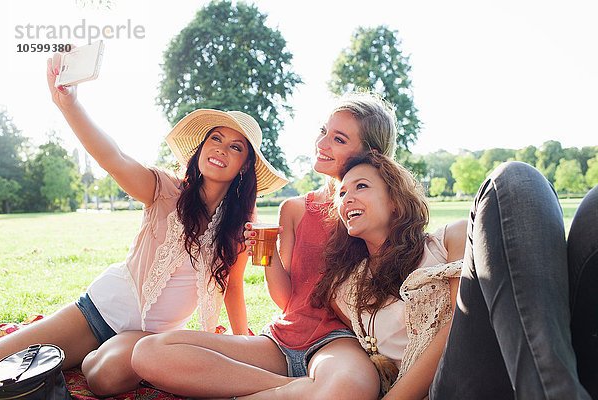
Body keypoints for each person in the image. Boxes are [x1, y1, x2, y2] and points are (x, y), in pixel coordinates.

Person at [0, 53, 288, 396]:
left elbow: (233, 286)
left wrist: (243, 342)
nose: (221, 150)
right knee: (3, 360)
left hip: (150, 340)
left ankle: (94, 359)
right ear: (200, 149)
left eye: (235, 147)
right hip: (98, 313)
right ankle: (85, 353)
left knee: (105, 380)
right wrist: (69, 104)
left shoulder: (239, 227)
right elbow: (114, 159)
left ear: (243, 166)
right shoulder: (164, 189)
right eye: (215, 139)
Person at [131, 92, 399, 399]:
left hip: (337, 342)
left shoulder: (381, 212)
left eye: (338, 139)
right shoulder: (295, 209)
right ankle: (292, 390)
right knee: (149, 352)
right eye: (323, 132)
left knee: (348, 388)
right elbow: (288, 300)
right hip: (280, 340)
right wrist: (268, 257)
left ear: (371, 153)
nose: (322, 144)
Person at [429, 161, 597, 400]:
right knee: (514, 179)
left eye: (361, 186)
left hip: (529, 339)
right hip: (459, 381)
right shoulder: (356, 280)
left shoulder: (443, 240)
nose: (352, 196)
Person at [311, 151, 465, 399]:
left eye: (360, 186)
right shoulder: (344, 290)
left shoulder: (450, 240)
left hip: (467, 382)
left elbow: (461, 325)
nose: (347, 198)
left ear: (395, 200)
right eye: (342, 193)